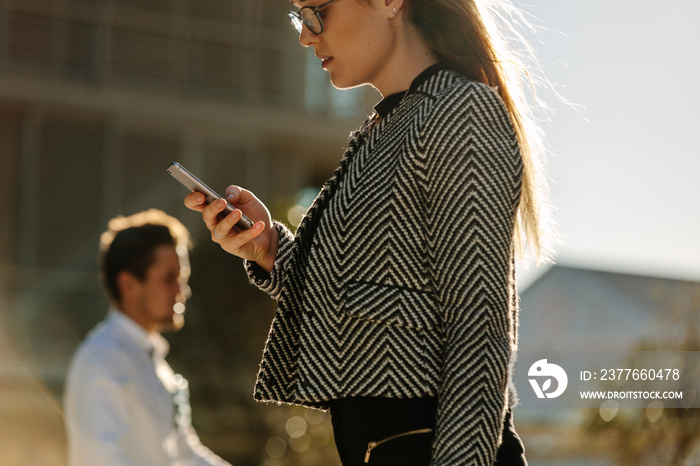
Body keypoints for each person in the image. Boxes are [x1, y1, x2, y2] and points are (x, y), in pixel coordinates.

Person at [185, 0, 554, 464]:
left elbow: (478, 329)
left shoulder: (459, 110)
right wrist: (268, 248)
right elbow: (362, 291)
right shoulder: (386, 126)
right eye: (299, 16)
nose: (305, 34)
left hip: (436, 447)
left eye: (317, 10)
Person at [64, 209, 231, 466]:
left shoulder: (155, 362)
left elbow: (185, 454)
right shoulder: (102, 359)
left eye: (183, 279)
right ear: (129, 285)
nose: (182, 291)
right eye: (169, 279)